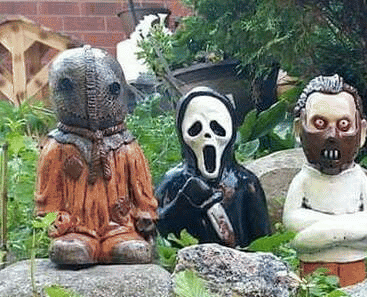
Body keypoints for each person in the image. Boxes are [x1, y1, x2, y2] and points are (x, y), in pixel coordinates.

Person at [35, 46, 157, 266]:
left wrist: (145, 213)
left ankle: (117, 242)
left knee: (132, 251)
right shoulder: (57, 148)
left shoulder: (127, 147)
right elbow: (48, 193)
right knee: (70, 251)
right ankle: (81, 241)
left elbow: (141, 188)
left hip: (121, 226)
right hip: (74, 228)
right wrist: (52, 217)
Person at [282, 75, 367, 286]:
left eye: (344, 124)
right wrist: (349, 228)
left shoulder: (358, 179)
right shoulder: (303, 181)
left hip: (354, 265)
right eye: (319, 123)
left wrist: (325, 232)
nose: (332, 135)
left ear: (361, 132)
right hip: (313, 267)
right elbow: (291, 222)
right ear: (299, 129)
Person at [156, 87, 270, 247]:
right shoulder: (173, 181)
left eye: (216, 127)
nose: (207, 134)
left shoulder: (245, 183)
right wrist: (182, 205)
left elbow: (263, 239)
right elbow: (154, 228)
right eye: (195, 128)